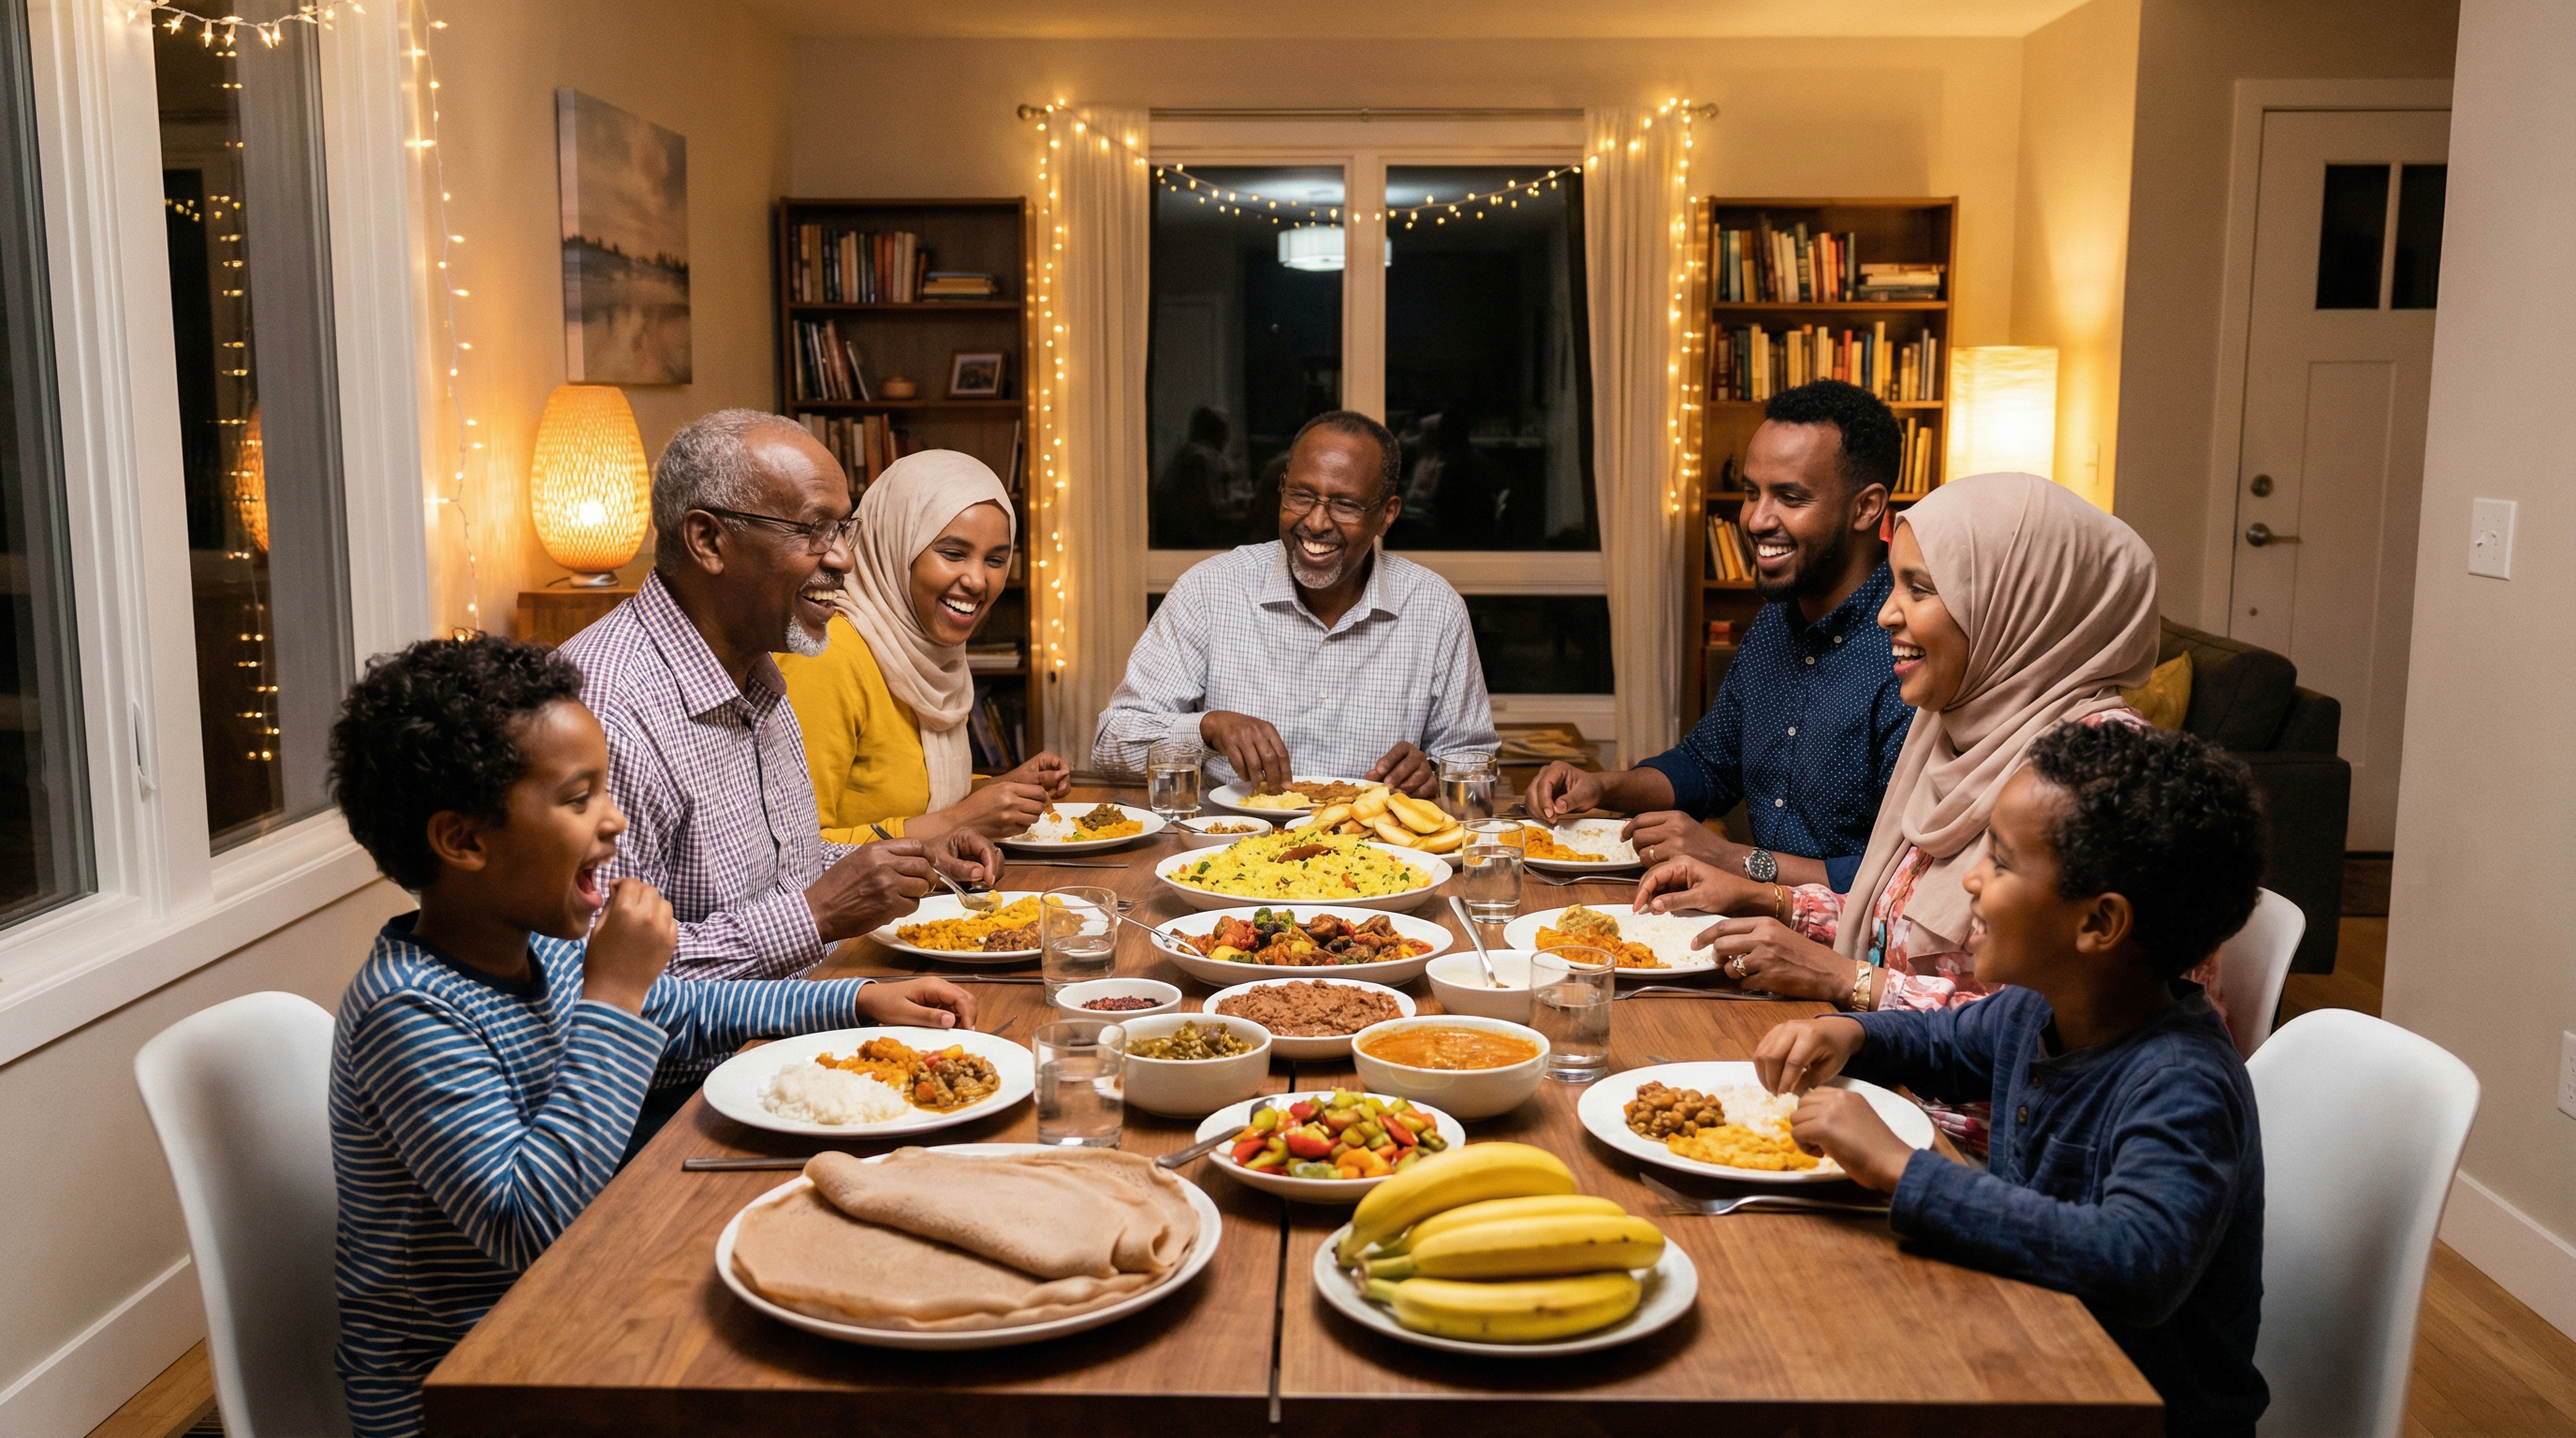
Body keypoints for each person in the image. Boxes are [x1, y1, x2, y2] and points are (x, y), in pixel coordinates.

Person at [324, 635, 977, 1438]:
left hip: (581, 1305)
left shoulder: (543, 947)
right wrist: (613, 994)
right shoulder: (410, 1011)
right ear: (463, 841)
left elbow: (684, 1011)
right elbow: (532, 1227)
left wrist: (858, 999)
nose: (615, 819)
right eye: (578, 799)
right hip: (472, 1383)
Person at [1755, 720, 2268, 1436]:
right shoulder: (2037, 1009)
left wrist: (1902, 1169)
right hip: (2027, 1346)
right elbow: (1941, 1045)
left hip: (2125, 1413)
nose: (1971, 879)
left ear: (2099, 924)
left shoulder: (2181, 1083)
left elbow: (2136, 1261)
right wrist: (1851, 1034)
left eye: (1998, 861)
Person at [1633, 471, 2237, 1036]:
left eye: (1919, 589)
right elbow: (1900, 925)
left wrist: (1849, 980)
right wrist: (1770, 898)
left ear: (2014, 605)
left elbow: (2051, 1036)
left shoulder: (2106, 782)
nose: (1885, 613)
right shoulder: (1958, 733)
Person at [561, 410, 1002, 986]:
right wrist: (815, 915)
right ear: (708, 540)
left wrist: (916, 859)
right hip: (726, 1044)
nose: (843, 558)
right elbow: (594, 973)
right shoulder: (604, 711)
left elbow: (784, 868)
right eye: (815, 529)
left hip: (814, 1003)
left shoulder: (760, 674)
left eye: (843, 530)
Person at [1527, 381, 1910, 891]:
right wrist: (1600, 785)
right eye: (1752, 492)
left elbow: (1908, 879)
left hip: (1849, 938)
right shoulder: (1774, 623)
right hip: (1750, 918)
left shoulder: (1910, 646)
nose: (1755, 519)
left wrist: (1732, 858)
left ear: (1866, 508)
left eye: (1789, 497)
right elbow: (1708, 766)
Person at [1093, 408, 1497, 796]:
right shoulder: (1209, 590)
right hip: (1232, 839)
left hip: (1373, 843)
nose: (1316, 523)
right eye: (1301, 496)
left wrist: (1432, 773)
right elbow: (1112, 743)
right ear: (1282, 488)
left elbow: (1476, 766)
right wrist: (1207, 728)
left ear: (1386, 515)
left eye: (1345, 504)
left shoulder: (1434, 607)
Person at [779, 450, 1071, 845]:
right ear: (894, 545)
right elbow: (796, 851)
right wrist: (964, 820)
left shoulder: (928, 652)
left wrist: (1002, 789)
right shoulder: (827, 658)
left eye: (995, 560)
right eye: (953, 554)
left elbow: (914, 797)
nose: (978, 580)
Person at [1151, 405, 1241, 547]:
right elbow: (1202, 510)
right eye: (1225, 433)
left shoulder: (1192, 453)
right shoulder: (1199, 459)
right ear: (1218, 434)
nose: (1227, 439)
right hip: (1190, 541)